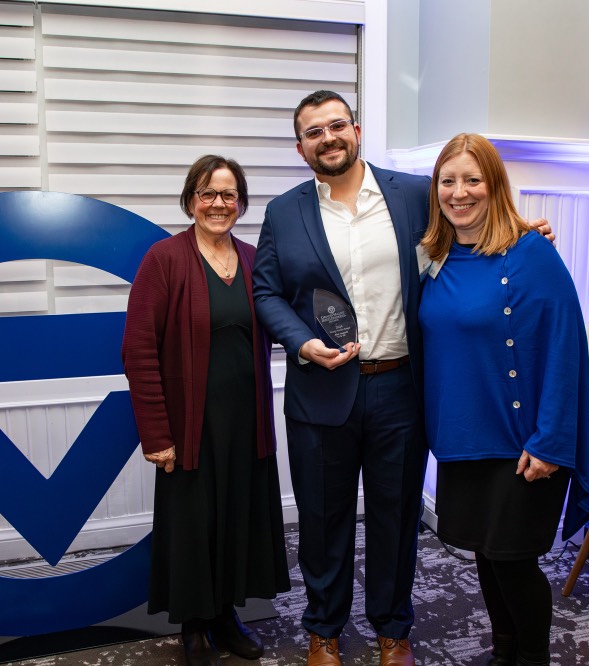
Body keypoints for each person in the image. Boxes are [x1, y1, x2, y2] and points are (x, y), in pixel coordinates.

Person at [252, 89, 431, 666]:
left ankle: (392, 630)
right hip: (320, 391)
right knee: (323, 520)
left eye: (336, 126)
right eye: (313, 132)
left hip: (400, 388)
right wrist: (299, 340)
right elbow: (266, 291)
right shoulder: (285, 211)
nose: (327, 138)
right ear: (300, 147)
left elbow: (473, 235)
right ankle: (324, 630)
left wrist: (525, 230)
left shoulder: (415, 196)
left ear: (356, 130)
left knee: (395, 517)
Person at [418, 133, 589, 666]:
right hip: (464, 440)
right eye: (449, 181)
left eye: (473, 180)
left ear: (495, 186)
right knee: (486, 558)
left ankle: (532, 657)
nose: (459, 192)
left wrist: (550, 442)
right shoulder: (434, 254)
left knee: (513, 561)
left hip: (522, 445)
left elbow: (567, 350)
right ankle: (504, 652)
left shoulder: (531, 252)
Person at [121, 155, 290, 666]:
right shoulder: (165, 259)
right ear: (191, 199)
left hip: (246, 423)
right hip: (190, 427)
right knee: (194, 527)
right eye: (207, 193)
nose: (218, 203)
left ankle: (225, 618)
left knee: (235, 521)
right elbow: (138, 349)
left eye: (229, 194)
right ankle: (193, 629)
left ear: (240, 202)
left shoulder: (253, 259)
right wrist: (156, 434)